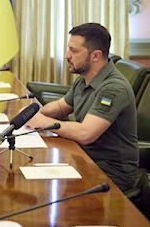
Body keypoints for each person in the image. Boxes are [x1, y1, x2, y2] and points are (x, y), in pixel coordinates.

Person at [25, 23, 138, 192]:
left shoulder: (114, 88)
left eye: (74, 51)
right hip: (84, 157)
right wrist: (30, 114)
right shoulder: (84, 78)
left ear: (95, 56)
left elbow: (86, 134)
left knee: (44, 188)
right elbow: (61, 107)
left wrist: (41, 121)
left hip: (112, 172)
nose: (67, 55)